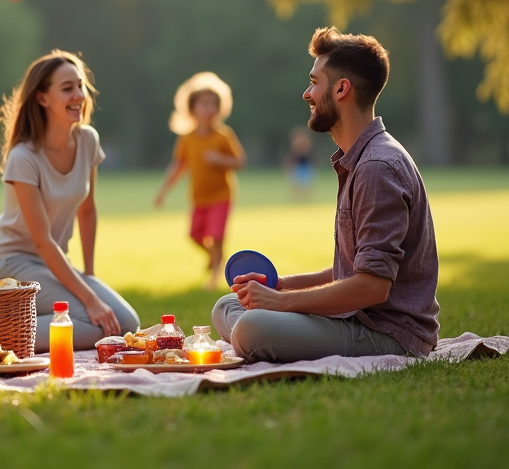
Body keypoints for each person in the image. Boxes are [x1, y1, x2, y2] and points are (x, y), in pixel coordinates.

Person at [212, 27, 440, 363]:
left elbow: (372, 287)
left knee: (250, 328)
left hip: (386, 333)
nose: (307, 93)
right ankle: (268, 324)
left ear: (341, 89)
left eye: (314, 82)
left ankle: (264, 331)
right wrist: (280, 287)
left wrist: (280, 304)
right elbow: (350, 271)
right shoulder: (360, 158)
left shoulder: (378, 167)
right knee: (227, 306)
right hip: (355, 317)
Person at [0, 50, 140, 352]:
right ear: (42, 98)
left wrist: (90, 275)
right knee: (92, 320)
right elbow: (42, 240)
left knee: (126, 323)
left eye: (81, 86)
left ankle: (13, 327)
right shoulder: (23, 157)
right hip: (12, 264)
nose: (79, 95)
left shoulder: (87, 141)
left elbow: (88, 209)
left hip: (54, 263)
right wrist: (90, 299)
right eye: (67, 88)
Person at [154, 72, 245, 290]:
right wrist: (163, 191)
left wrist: (220, 159)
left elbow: (239, 162)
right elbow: (178, 166)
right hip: (199, 198)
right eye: (204, 104)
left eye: (214, 104)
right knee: (195, 235)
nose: (209, 109)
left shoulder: (223, 136)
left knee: (216, 236)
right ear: (192, 108)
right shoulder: (188, 138)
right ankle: (214, 258)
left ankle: (214, 278)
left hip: (221, 196)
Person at [284, 125, 316, 200]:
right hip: (297, 167)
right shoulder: (294, 150)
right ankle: (298, 198)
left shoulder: (307, 147)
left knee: (306, 184)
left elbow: (311, 158)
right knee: (296, 184)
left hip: (306, 166)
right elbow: (291, 159)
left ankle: (306, 198)